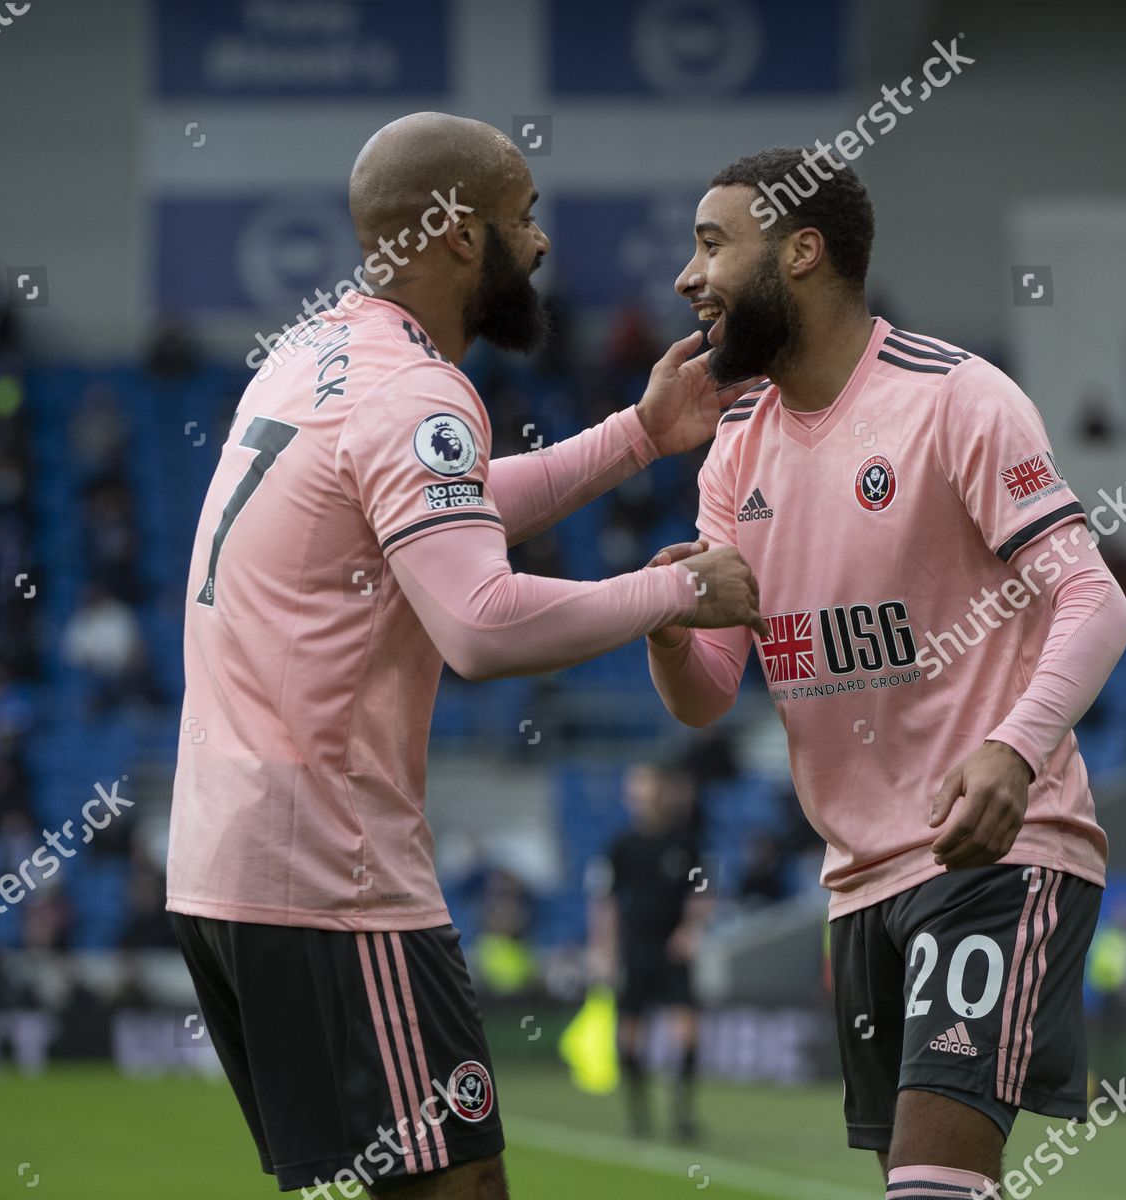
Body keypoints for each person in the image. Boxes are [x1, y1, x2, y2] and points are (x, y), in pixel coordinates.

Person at [165, 112, 764, 1199]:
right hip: (330, 875)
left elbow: (442, 518)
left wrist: (636, 436)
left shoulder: (310, 358)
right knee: (457, 1186)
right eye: (521, 217)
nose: (537, 245)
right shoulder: (418, 391)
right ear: (453, 232)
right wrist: (676, 589)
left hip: (226, 863)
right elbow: (480, 621)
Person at [644, 148, 1126, 1199]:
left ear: (803, 252)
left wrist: (1014, 747)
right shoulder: (736, 450)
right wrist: (667, 627)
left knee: (930, 1186)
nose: (689, 278)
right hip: (859, 877)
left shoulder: (955, 398)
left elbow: (1096, 598)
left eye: (713, 243)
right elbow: (709, 693)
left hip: (994, 851)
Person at [587, 763, 711, 1141]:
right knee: (629, 1035)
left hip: (673, 951)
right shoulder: (620, 846)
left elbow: (705, 888)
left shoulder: (685, 842)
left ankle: (682, 1114)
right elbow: (603, 901)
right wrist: (604, 950)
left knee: (687, 1032)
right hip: (635, 950)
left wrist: (691, 929)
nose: (640, 796)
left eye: (645, 787)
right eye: (634, 789)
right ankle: (638, 1115)